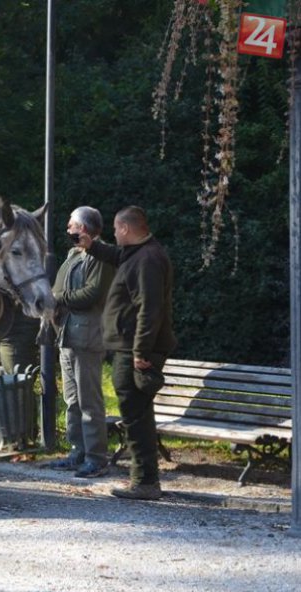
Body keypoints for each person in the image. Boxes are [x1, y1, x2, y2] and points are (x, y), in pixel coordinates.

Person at [78, 205, 176, 500]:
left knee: (135, 417)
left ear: (124, 229)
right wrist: (92, 246)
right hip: (129, 347)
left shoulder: (147, 260)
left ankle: (144, 481)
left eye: (116, 230)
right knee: (137, 414)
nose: (114, 235)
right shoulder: (139, 253)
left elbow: (150, 309)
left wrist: (140, 351)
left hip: (134, 350)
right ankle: (145, 480)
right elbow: (116, 255)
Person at [49, 206, 115, 478]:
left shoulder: (103, 256)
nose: (68, 230)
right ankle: (77, 451)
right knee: (72, 399)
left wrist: (60, 297)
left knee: (89, 400)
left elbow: (92, 294)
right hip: (67, 334)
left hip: (89, 336)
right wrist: (59, 295)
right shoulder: (73, 254)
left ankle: (96, 457)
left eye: (71, 226)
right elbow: (58, 287)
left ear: (83, 229)